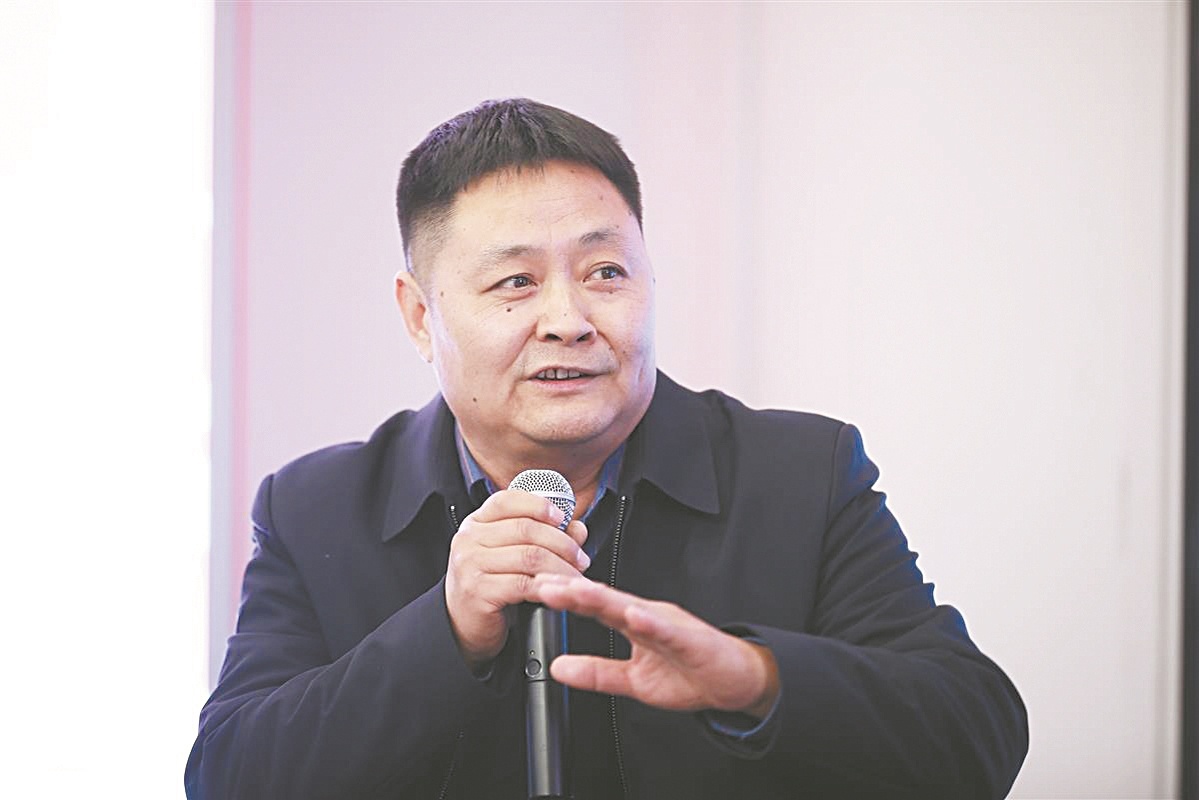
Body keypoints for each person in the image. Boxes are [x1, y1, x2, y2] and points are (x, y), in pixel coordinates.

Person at [185, 98, 1028, 799]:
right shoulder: (316, 508)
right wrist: (445, 631)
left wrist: (757, 680)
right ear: (418, 315)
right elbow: (229, 777)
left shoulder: (799, 474)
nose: (569, 320)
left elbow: (974, 738)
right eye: (515, 282)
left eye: (605, 273)